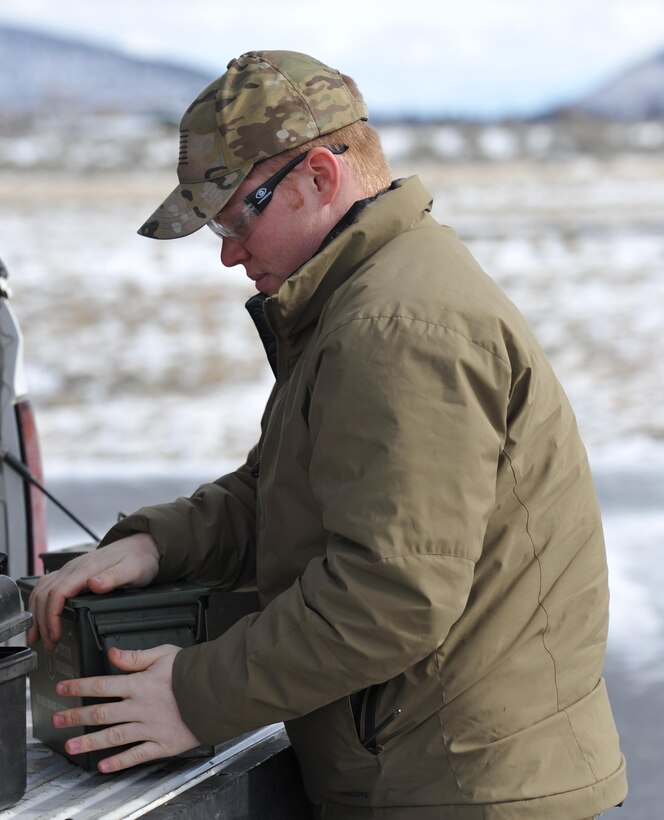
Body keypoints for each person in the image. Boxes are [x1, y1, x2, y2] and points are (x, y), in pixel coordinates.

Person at [27, 50, 627, 819]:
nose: (227, 250)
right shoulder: (364, 299)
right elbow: (290, 493)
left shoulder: (398, 327)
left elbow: (391, 593)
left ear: (318, 176)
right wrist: (156, 544)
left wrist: (191, 696)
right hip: (444, 772)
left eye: (239, 214)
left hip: (459, 788)